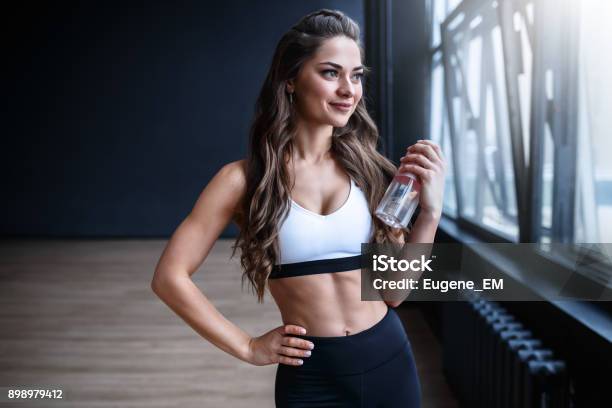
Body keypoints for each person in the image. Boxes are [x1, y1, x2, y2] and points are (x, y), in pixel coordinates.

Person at [151, 8, 446, 407]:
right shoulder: (243, 180)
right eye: (330, 73)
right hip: (311, 377)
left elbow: (394, 292)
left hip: (388, 362)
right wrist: (247, 346)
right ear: (290, 80)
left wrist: (428, 214)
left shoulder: (372, 172)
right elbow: (169, 276)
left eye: (356, 75)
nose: (349, 89)